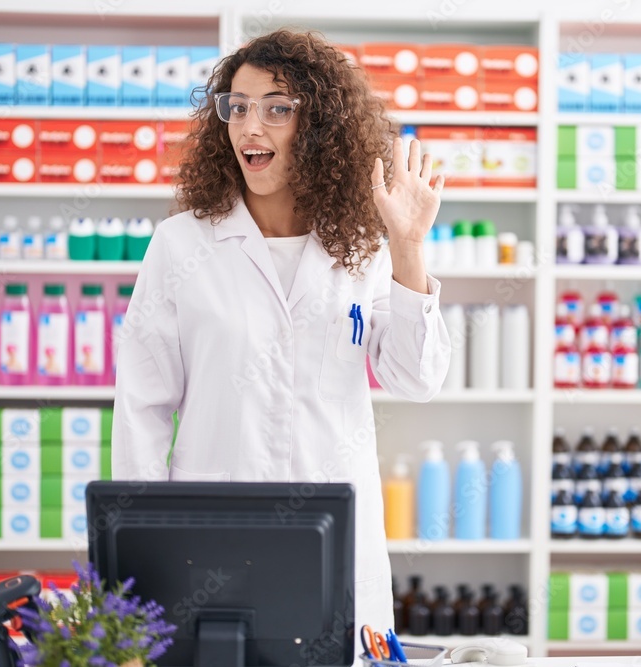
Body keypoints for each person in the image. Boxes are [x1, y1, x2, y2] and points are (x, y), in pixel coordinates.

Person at [111, 29, 451, 633]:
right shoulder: (183, 244)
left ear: (318, 127)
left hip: (335, 536)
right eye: (237, 107)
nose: (249, 127)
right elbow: (142, 404)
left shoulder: (367, 246)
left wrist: (407, 248)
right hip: (210, 535)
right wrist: (142, 545)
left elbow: (416, 378)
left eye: (276, 108)